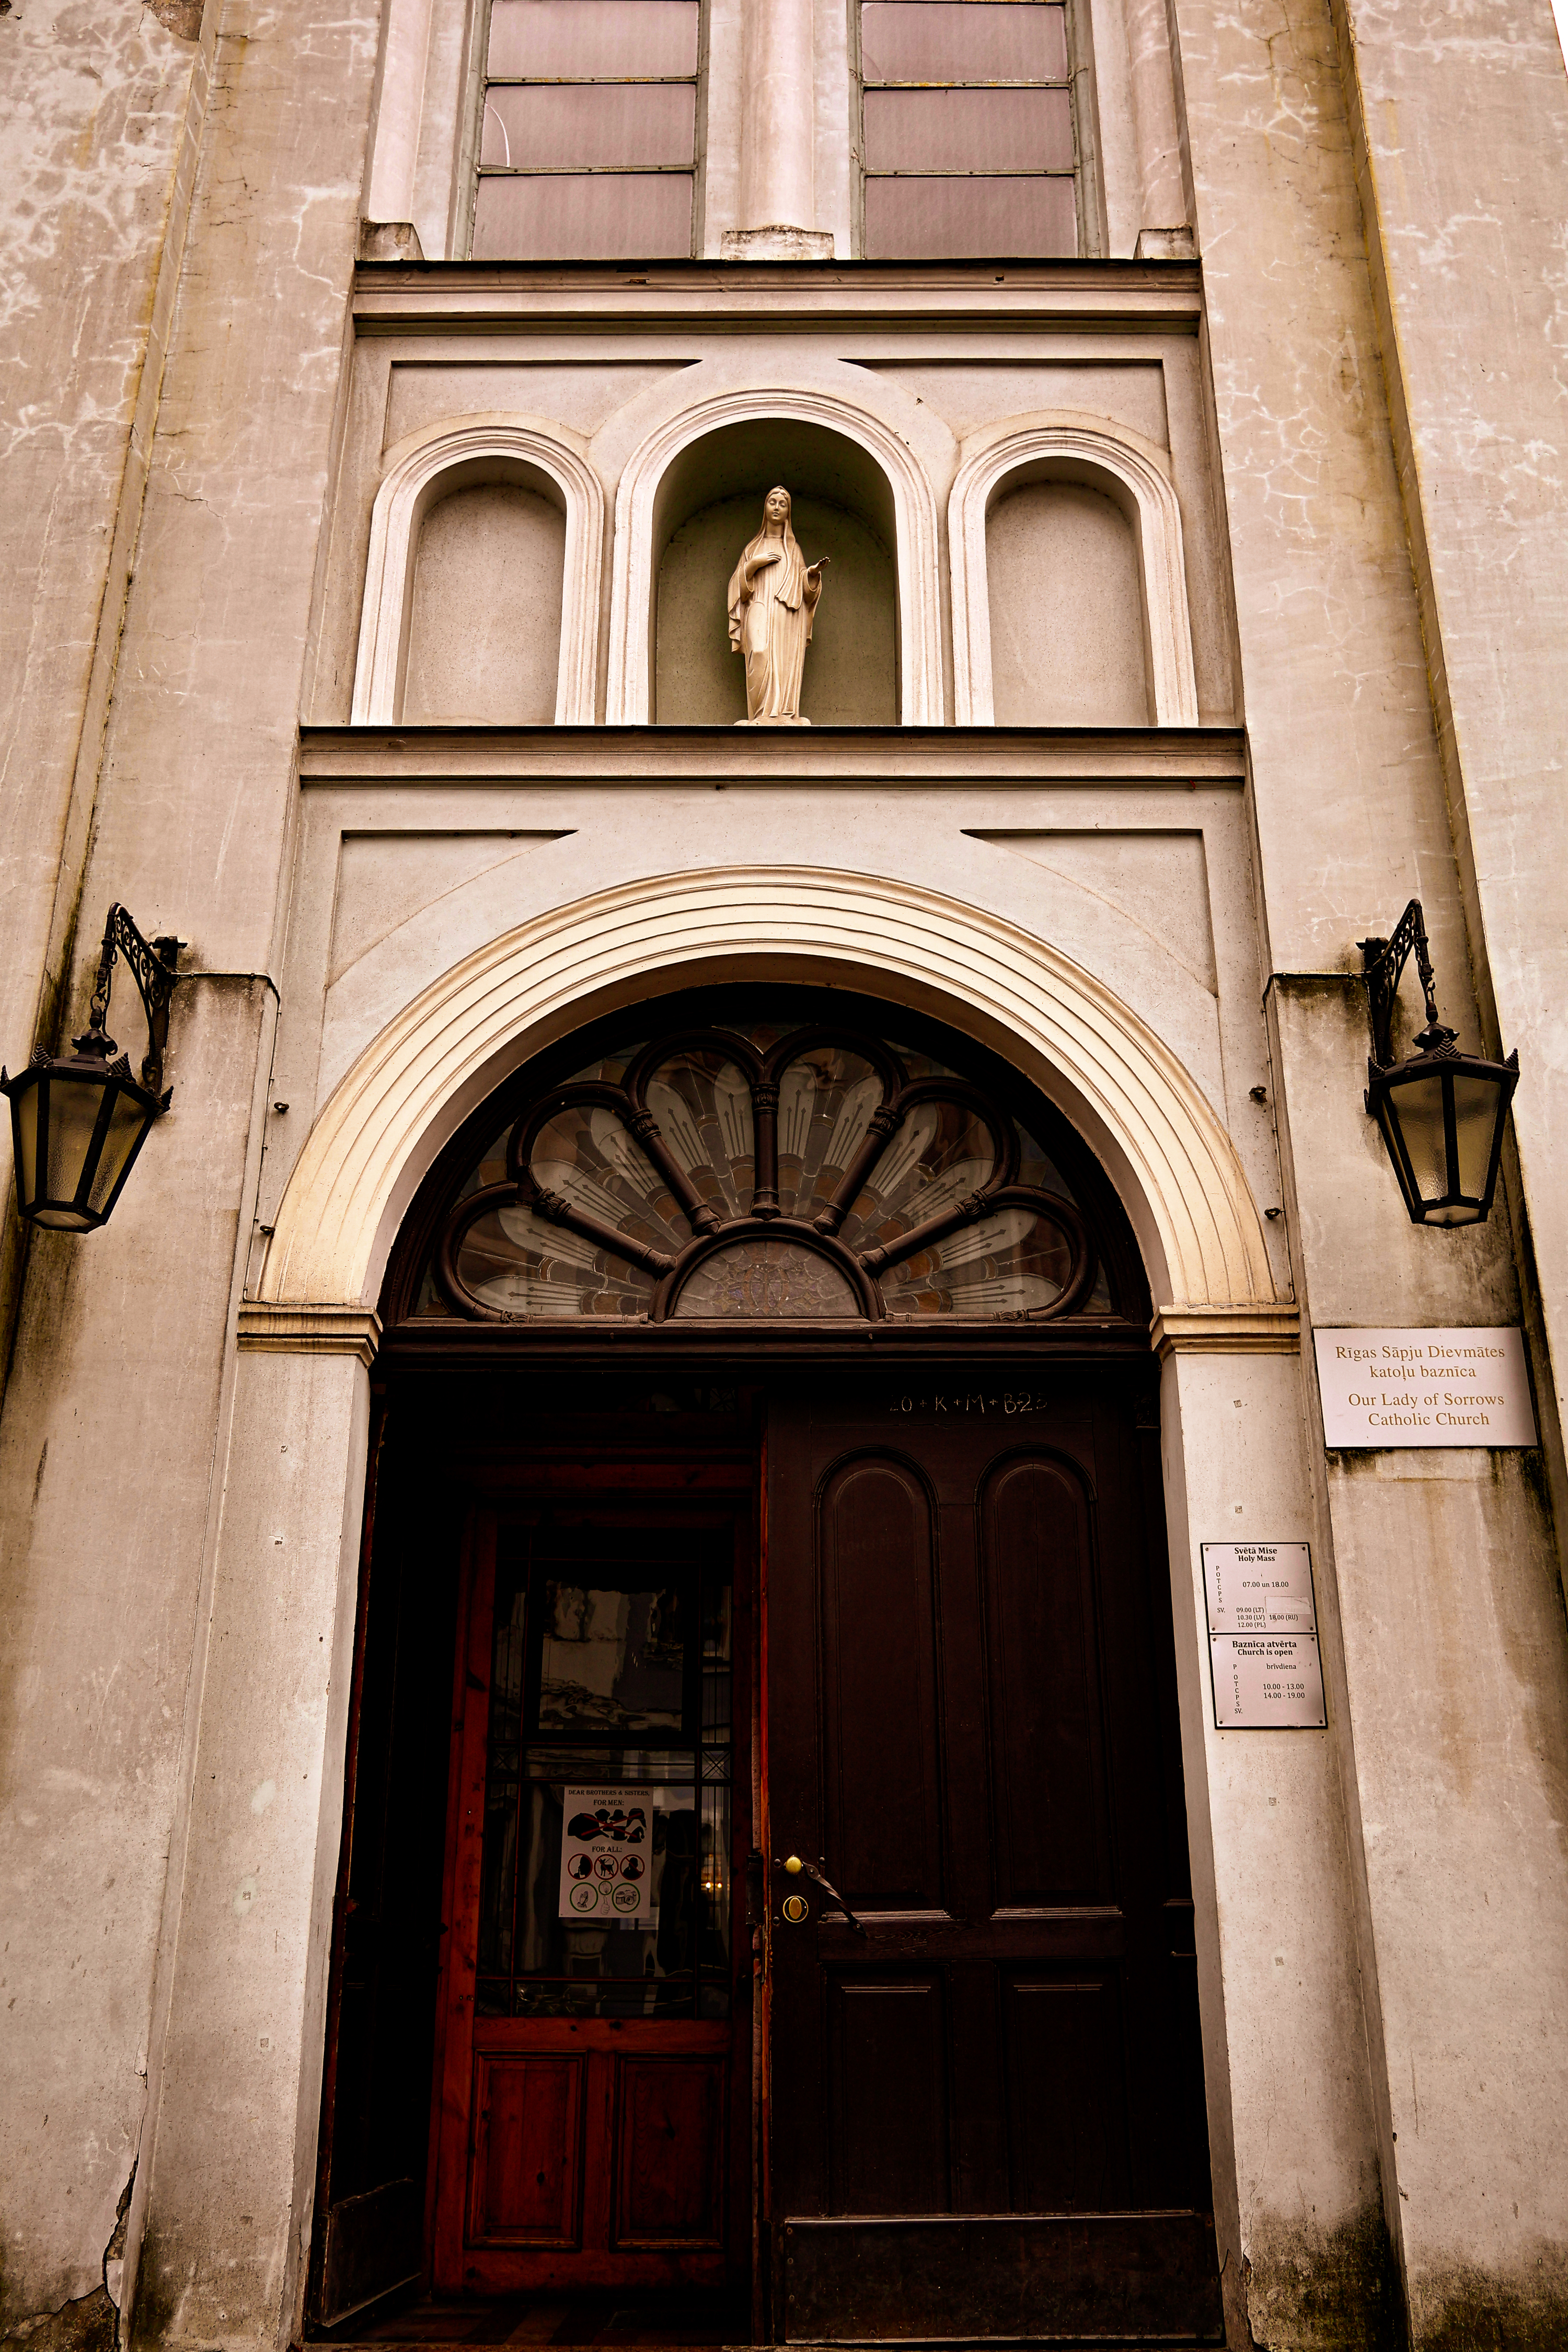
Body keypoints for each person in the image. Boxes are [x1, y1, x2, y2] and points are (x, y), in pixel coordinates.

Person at [727, 484, 826, 723]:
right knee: (759, 651)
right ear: (765, 508)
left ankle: (784, 714)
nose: (777, 508)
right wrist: (754, 564)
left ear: (788, 513)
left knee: (784, 661)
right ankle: (760, 715)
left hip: (786, 612)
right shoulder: (753, 548)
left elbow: (805, 591)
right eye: (773, 502)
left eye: (783, 505)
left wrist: (812, 576)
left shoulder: (793, 549)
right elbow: (736, 588)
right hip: (758, 605)